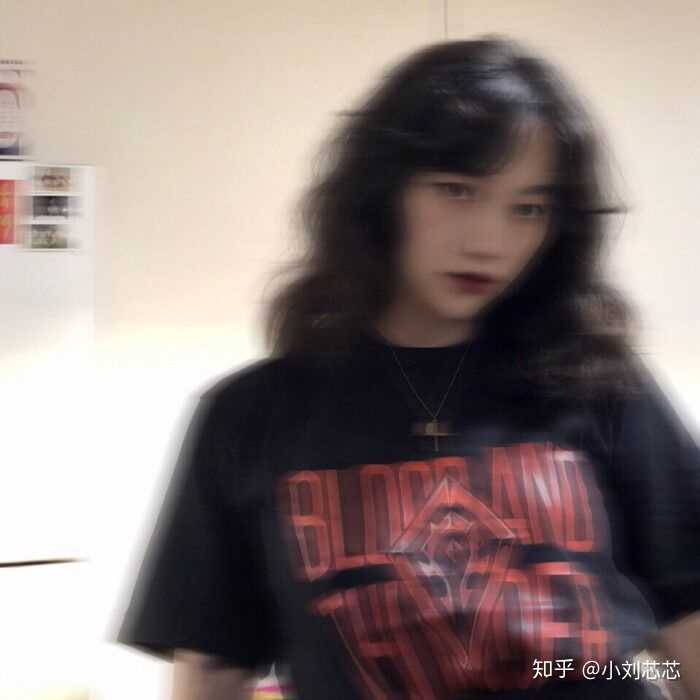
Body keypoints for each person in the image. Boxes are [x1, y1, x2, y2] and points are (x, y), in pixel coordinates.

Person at [117, 37, 700, 699]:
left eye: (528, 208)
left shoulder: (601, 385)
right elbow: (213, 665)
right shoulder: (250, 415)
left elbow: (689, 619)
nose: (490, 241)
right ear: (382, 191)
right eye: (457, 191)